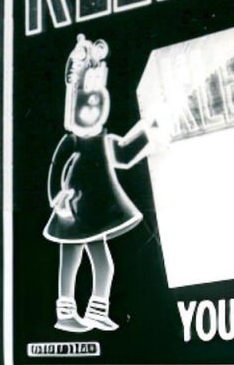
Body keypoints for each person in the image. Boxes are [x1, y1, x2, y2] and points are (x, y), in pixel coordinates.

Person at [42, 33, 160, 333]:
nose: (89, 111)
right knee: (70, 262)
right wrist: (59, 200)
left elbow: (124, 154)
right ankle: (66, 310)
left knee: (103, 264)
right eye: (84, 105)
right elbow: (56, 171)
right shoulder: (71, 142)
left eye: (95, 105)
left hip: (94, 214)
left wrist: (150, 130)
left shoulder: (103, 140)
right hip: (72, 214)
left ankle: (97, 310)